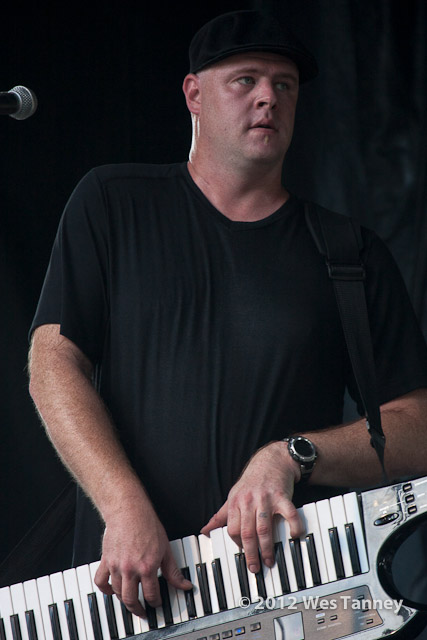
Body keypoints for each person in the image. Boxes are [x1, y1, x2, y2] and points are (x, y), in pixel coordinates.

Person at [28, 9, 427, 619]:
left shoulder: (349, 253)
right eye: (246, 80)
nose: (269, 97)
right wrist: (122, 504)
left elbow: (418, 427)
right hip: (131, 590)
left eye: (284, 85)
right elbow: (53, 363)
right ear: (194, 94)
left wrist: (291, 455)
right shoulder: (113, 204)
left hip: (293, 597)